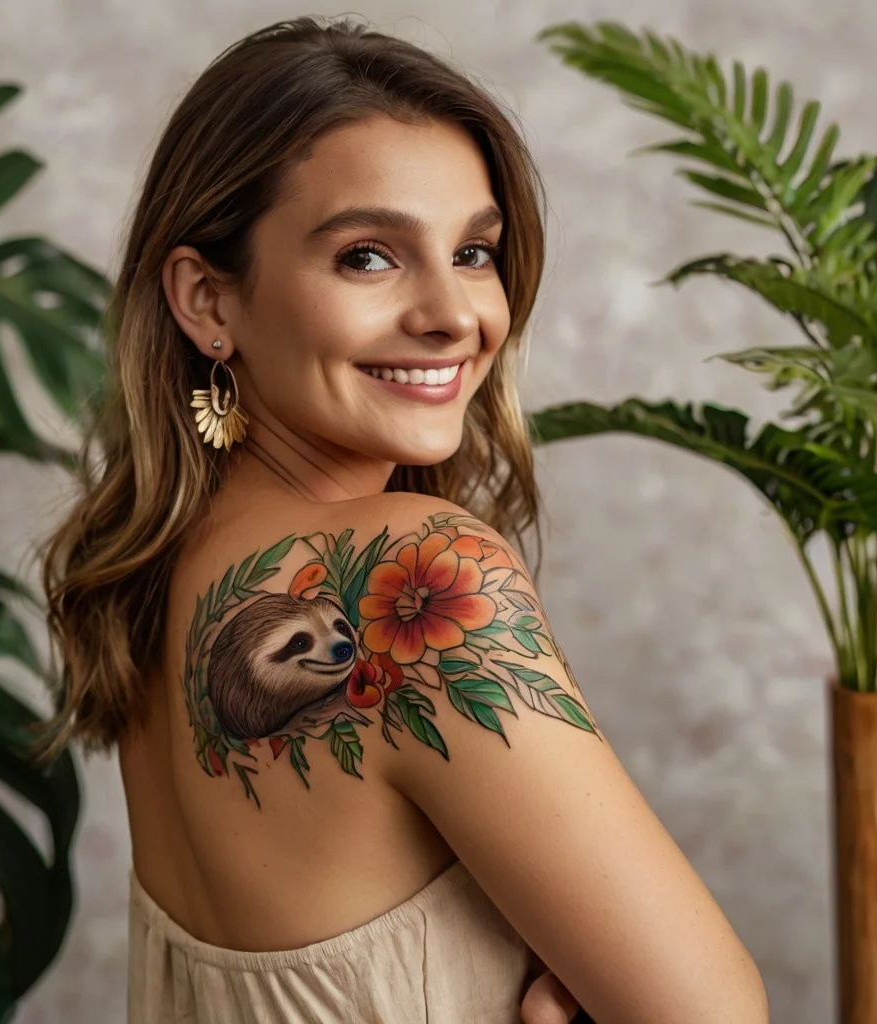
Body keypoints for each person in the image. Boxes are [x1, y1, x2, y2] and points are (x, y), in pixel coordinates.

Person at [38, 15, 769, 1024]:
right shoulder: (410, 573)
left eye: (474, 251)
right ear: (208, 299)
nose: (452, 312)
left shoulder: (156, 566)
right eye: (370, 257)